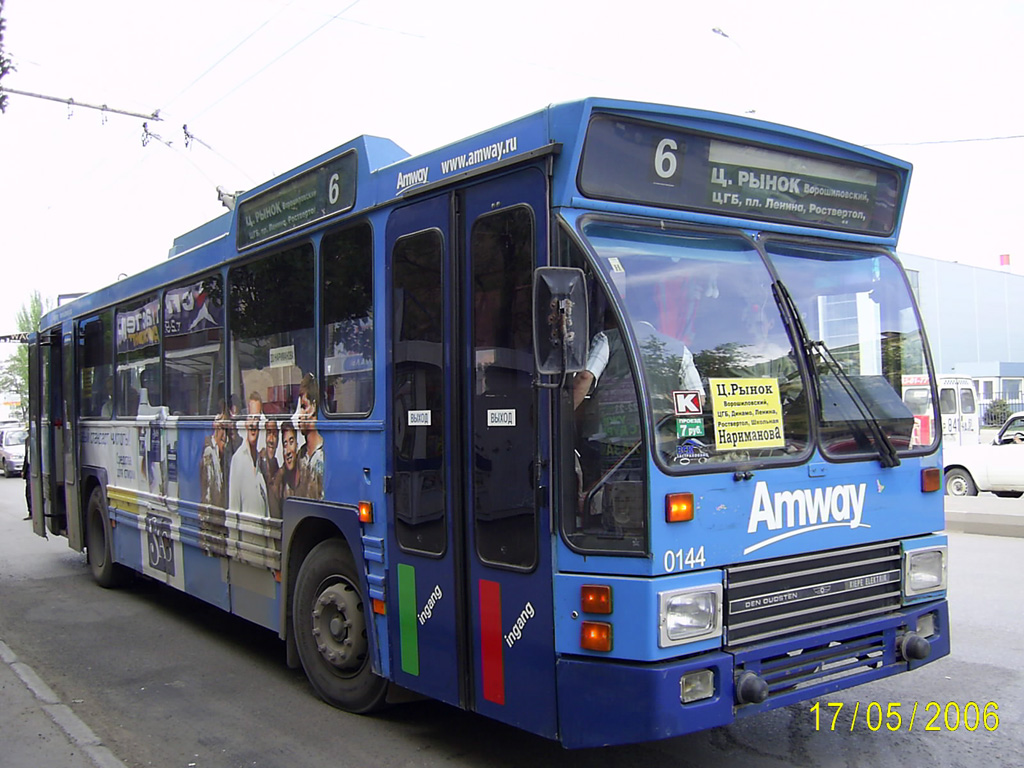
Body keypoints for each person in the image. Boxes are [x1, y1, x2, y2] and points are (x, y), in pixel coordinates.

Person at [228, 392, 269, 517]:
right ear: (245, 421)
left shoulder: (260, 461)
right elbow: (233, 508)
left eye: (256, 418)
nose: (253, 423)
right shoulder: (238, 459)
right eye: (250, 417)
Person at [296, 374, 324, 500]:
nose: (299, 415)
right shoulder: (301, 454)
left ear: (313, 407)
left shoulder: (324, 456)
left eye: (303, 407)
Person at [271, 420, 301, 518]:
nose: (288, 451)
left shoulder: (306, 474)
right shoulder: (278, 484)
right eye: (285, 444)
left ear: (297, 445)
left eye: (291, 442)